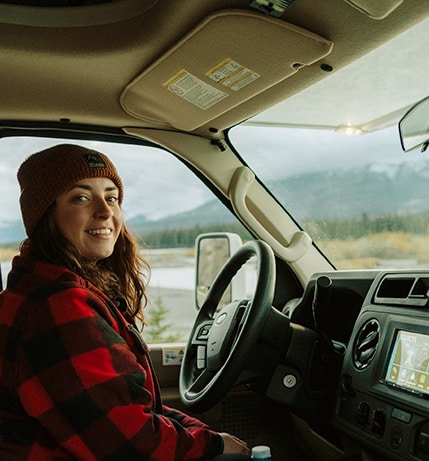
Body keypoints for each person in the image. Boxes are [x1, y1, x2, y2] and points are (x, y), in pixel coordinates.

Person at [0, 144, 250, 460]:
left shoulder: (46, 290)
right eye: (81, 197)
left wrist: (207, 436)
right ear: (45, 216)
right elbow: (128, 444)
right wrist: (211, 445)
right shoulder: (59, 306)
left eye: (112, 197)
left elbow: (129, 408)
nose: (106, 212)